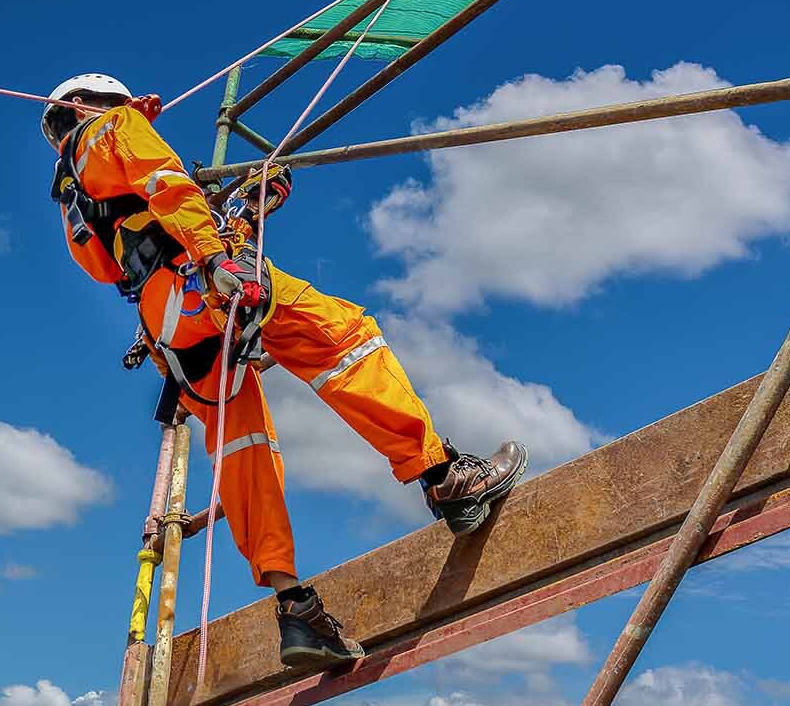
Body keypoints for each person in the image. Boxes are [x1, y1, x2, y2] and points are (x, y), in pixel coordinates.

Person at [42, 74, 529, 668]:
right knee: (342, 339)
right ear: (92, 105)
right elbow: (168, 187)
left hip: (168, 325)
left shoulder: (74, 199)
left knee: (242, 449)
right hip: (205, 286)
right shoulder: (114, 127)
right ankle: (444, 476)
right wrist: (220, 255)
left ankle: (295, 607)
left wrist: (243, 212)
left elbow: (134, 252)